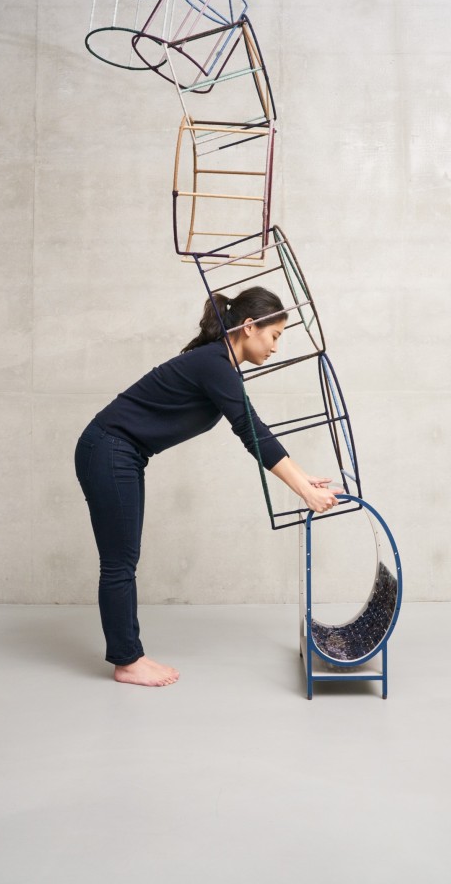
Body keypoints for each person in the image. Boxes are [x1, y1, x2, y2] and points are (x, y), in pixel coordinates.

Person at [75, 286, 339, 687]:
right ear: (249, 327)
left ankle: (127, 656)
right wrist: (303, 492)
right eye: (274, 336)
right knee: (119, 562)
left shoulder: (219, 365)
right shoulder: (214, 364)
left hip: (120, 453)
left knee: (123, 559)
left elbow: (255, 430)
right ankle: (127, 661)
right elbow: (252, 432)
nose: (276, 347)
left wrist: (304, 477)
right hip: (108, 449)